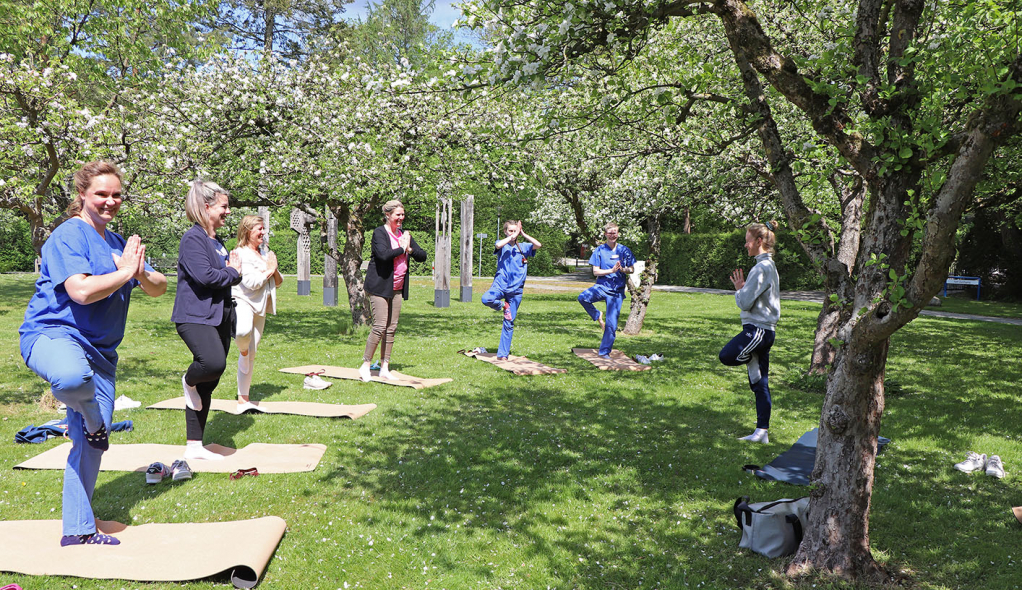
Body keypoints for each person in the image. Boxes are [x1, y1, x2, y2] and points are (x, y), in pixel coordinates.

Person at [19, 161, 167, 546]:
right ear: (82, 194)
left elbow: (159, 287)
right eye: (101, 193)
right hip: (53, 336)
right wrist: (124, 272)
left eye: (117, 194)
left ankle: (79, 531)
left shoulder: (118, 244)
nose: (110, 201)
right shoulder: (68, 235)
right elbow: (81, 291)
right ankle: (92, 418)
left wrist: (137, 271)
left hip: (101, 353)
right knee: (71, 379)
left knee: (88, 448)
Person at [172, 180, 241, 460]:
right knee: (211, 364)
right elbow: (208, 277)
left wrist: (230, 270)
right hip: (195, 316)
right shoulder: (193, 238)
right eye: (224, 207)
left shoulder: (216, 240)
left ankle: (194, 446)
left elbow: (220, 273)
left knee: (209, 383)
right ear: (206, 206)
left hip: (219, 315)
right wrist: (234, 271)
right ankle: (187, 380)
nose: (228, 212)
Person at [719, 221, 781, 444]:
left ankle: (748, 356)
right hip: (761, 330)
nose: (745, 245)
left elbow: (744, 302)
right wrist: (745, 287)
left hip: (758, 331)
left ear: (759, 241)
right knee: (759, 382)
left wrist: (739, 289)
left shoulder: (762, 268)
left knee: (727, 355)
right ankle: (762, 432)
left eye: (747, 241)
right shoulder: (766, 267)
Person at [359, 199, 427, 381]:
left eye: (403, 214)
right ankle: (365, 365)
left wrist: (410, 248)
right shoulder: (380, 233)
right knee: (380, 326)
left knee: (391, 328)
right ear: (388, 215)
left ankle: (384, 367)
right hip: (379, 286)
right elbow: (382, 255)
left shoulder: (405, 234)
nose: (401, 218)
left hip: (397, 288)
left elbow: (423, 256)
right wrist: (401, 248)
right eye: (398, 214)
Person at [232, 215, 283, 412]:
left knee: (252, 352)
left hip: (260, 306)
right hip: (243, 301)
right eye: (259, 229)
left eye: (263, 229)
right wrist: (269, 270)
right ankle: (243, 352)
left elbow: (277, 282)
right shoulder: (240, 253)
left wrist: (274, 269)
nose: (263, 233)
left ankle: (243, 399)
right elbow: (251, 283)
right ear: (247, 232)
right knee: (242, 334)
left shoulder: (263, 254)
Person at [480, 220, 542, 360]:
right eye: (510, 231)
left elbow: (538, 245)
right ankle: (503, 305)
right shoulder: (502, 244)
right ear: (505, 231)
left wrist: (523, 234)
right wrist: (510, 238)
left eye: (515, 231)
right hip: (500, 285)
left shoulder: (524, 247)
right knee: (486, 299)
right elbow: (498, 244)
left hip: (516, 290)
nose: (513, 233)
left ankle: (503, 355)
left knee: (509, 322)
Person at [577, 222, 636, 358]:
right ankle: (597, 315)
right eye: (609, 233)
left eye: (614, 232)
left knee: (611, 324)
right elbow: (596, 272)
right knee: (583, 298)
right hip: (601, 287)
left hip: (616, 292)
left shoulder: (624, 250)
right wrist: (611, 270)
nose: (612, 235)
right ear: (605, 234)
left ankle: (604, 352)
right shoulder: (599, 250)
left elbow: (631, 269)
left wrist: (622, 269)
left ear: (618, 234)